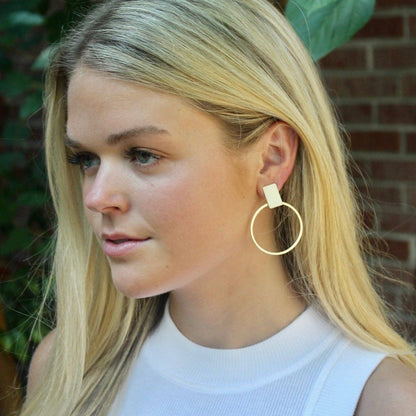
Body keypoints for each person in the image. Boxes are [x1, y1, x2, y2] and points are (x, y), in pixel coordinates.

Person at [22, 0, 416, 415]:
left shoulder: (380, 401)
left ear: (271, 159)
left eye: (142, 155)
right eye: (86, 160)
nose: (96, 197)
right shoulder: (66, 372)